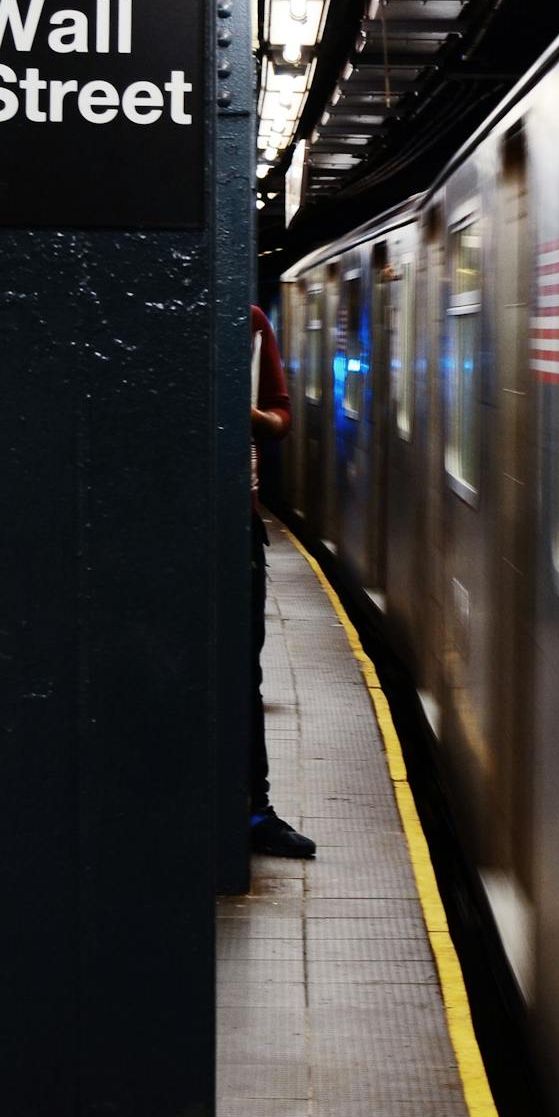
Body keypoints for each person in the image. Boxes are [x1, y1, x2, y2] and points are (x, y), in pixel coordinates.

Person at [250, 304, 314, 859]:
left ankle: (254, 808)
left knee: (243, 675)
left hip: (236, 531)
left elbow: (281, 418)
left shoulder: (248, 323)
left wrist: (249, 416)